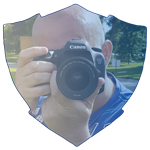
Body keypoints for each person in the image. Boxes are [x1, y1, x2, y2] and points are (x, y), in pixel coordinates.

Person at [4, 4, 147, 146]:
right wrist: (15, 110)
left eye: (77, 55)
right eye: (52, 55)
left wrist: (74, 136)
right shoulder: (31, 105)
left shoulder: (139, 117)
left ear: (105, 54)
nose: (65, 68)